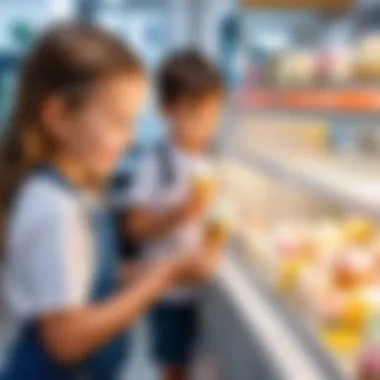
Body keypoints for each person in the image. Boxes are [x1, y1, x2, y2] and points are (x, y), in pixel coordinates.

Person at [0, 24, 221, 380]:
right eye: (119, 122)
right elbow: (66, 339)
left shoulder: (77, 193)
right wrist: (162, 277)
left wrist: (163, 268)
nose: (131, 138)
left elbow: (87, 273)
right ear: (59, 117)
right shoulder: (55, 207)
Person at [127, 51, 225, 380]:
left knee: (208, 366)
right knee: (174, 367)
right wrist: (179, 213)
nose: (206, 122)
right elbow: (135, 225)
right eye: (195, 112)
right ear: (166, 111)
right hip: (168, 291)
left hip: (208, 286)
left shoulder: (214, 157)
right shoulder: (155, 163)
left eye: (213, 112)